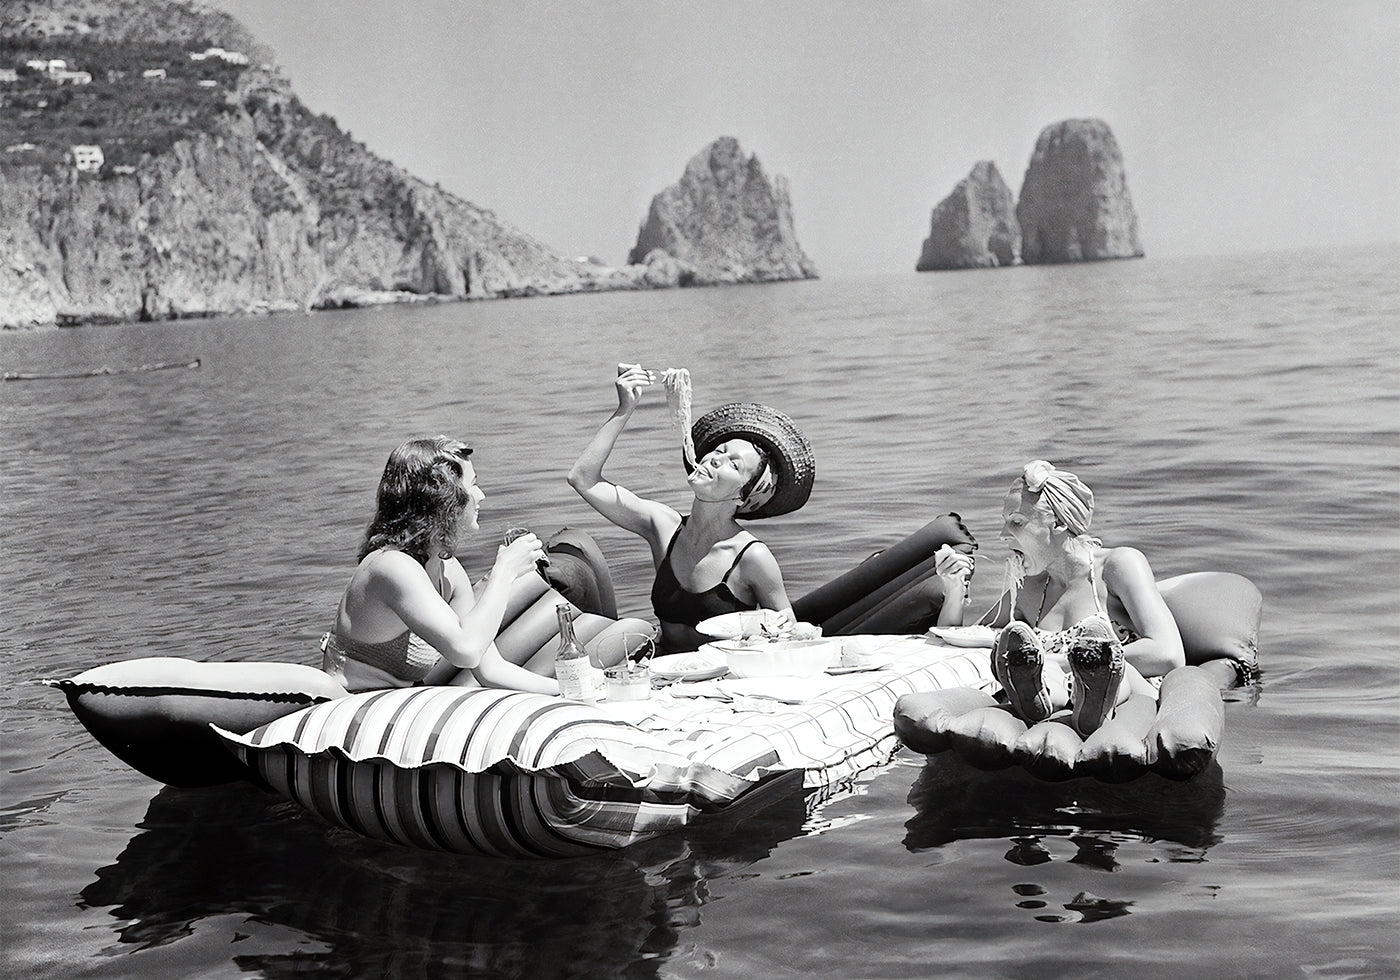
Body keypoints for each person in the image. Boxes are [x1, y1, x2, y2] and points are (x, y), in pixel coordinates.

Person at [568, 364, 815, 653]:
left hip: (723, 681)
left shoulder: (752, 557)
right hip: (663, 672)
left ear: (744, 497)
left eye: (733, 465)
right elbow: (582, 479)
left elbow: (791, 636)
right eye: (719, 451)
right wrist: (626, 408)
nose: (715, 459)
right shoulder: (662, 525)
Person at [934, 459, 1184, 736]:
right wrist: (954, 587)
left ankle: (1086, 692)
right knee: (1040, 673)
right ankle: (1040, 702)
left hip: (1128, 691)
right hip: (1059, 696)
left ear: (1059, 524)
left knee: (1107, 669)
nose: (1003, 535)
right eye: (1005, 523)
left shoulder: (1116, 566)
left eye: (1017, 523)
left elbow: (1169, 654)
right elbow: (963, 637)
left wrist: (1061, 662)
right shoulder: (1030, 586)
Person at [320, 436, 561, 695]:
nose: (481, 495)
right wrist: (504, 571)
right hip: (349, 705)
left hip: (397, 700)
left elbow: (489, 669)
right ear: (445, 498)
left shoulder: (449, 570)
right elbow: (466, 652)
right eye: (473, 484)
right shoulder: (391, 565)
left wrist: (571, 689)